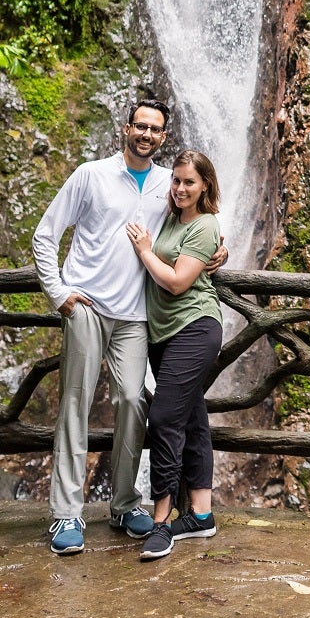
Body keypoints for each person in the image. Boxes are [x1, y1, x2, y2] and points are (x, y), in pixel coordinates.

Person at [32, 102, 227, 555]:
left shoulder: (169, 183)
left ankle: (124, 503)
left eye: (155, 128)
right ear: (126, 128)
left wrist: (220, 251)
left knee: (133, 400)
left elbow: (195, 225)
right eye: (140, 125)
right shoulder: (91, 175)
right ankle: (66, 513)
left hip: (137, 314)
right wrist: (58, 293)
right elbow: (45, 233)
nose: (146, 133)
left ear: (163, 136)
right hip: (87, 305)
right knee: (75, 404)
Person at [125, 148, 226, 561]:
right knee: (191, 417)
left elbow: (179, 282)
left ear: (205, 186)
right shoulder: (170, 216)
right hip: (163, 333)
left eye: (190, 182)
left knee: (164, 417)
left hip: (195, 326)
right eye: (177, 180)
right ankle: (201, 514)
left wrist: (145, 250)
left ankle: (162, 520)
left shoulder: (204, 224)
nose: (181, 188)